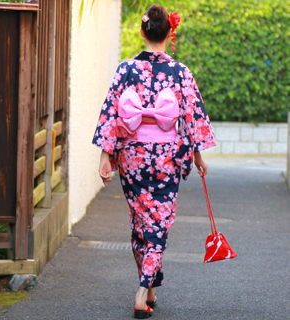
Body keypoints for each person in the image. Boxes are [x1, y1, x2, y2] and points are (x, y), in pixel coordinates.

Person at [92, 4, 216, 319]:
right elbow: (192, 116)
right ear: (170, 32)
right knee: (158, 222)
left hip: (132, 156)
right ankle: (141, 289)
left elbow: (111, 113)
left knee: (139, 224)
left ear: (142, 31)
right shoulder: (180, 72)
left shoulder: (125, 69)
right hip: (166, 157)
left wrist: (106, 156)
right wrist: (197, 155)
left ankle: (149, 287)